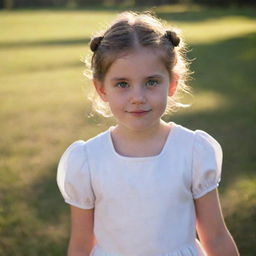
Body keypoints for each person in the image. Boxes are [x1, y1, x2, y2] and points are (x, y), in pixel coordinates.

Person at [57, 11, 239, 256]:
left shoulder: (192, 151)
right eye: (122, 84)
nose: (138, 98)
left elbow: (215, 238)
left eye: (151, 82)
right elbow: (80, 244)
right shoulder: (87, 160)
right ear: (101, 89)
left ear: (172, 83)